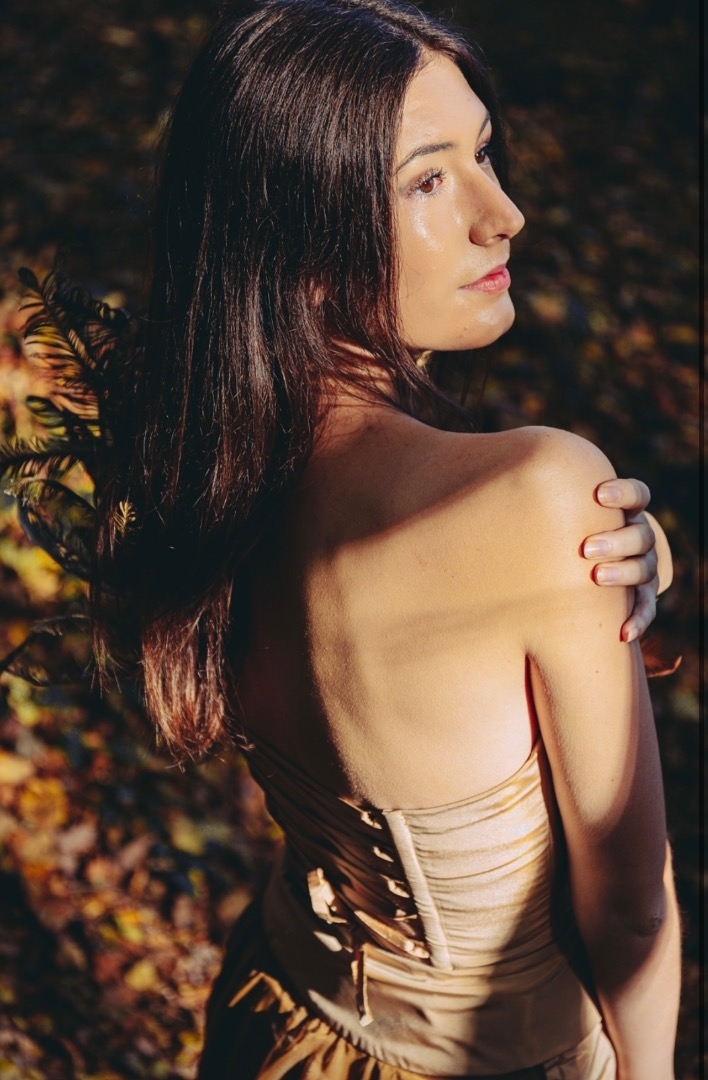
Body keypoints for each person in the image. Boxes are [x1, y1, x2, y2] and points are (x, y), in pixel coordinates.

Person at [86, 1, 680, 1077]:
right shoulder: (542, 500)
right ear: (298, 232)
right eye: (426, 181)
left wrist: (611, 579)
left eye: (483, 154)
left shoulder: (191, 462)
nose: (504, 215)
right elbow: (633, 911)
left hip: (276, 1020)